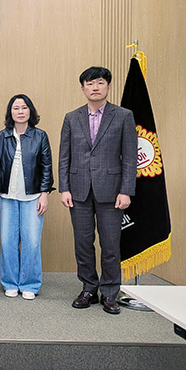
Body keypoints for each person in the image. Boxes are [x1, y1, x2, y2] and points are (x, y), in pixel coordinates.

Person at [59, 66, 137, 315]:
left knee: (111, 245)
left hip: (112, 191)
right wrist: (64, 188)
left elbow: (130, 158)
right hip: (79, 190)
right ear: (83, 88)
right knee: (83, 243)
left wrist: (126, 190)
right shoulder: (72, 117)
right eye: (90, 83)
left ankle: (111, 292)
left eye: (100, 83)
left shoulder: (123, 115)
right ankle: (89, 288)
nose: (95, 87)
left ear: (108, 86)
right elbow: (64, 157)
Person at [0, 94, 53, 301]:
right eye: (16, 108)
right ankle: (10, 283)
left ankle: (30, 284)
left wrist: (45, 194)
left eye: (24, 107)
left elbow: (46, 166)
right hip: (6, 196)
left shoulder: (40, 136)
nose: (20, 111)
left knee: (31, 241)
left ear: (30, 111)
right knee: (8, 241)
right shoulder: (1, 137)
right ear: (10, 112)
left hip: (33, 196)